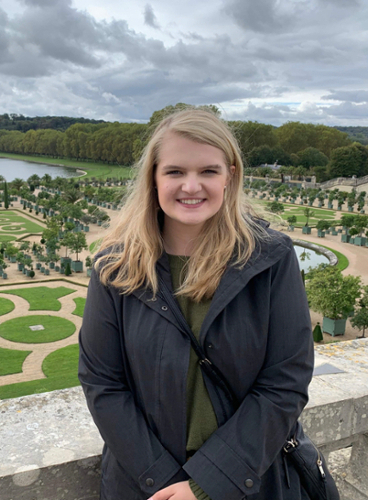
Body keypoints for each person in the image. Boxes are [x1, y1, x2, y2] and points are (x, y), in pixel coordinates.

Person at [78, 109, 314, 500]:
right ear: (153, 178)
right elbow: (103, 383)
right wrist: (163, 482)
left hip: (246, 485)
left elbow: (285, 382)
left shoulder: (272, 258)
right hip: (145, 487)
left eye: (208, 171)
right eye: (174, 172)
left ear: (230, 176)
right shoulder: (114, 267)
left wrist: (206, 485)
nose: (191, 186)